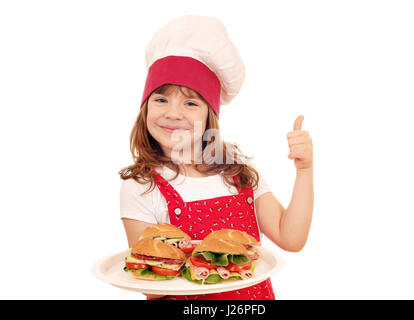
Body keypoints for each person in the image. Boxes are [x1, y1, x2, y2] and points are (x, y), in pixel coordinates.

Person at [119, 14, 314, 300]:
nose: (173, 113)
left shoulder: (239, 172)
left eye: (190, 102)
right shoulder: (140, 186)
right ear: (145, 107)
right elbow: (152, 282)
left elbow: (291, 237)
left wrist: (305, 170)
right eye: (160, 99)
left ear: (210, 115)